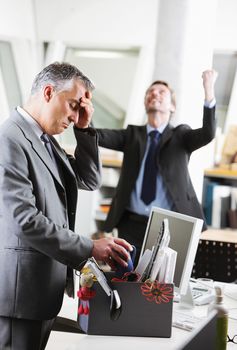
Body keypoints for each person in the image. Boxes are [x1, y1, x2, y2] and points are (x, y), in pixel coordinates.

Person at [0, 62, 132, 350]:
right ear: (48, 92)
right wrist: (89, 247)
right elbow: (25, 220)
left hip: (41, 292)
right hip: (19, 297)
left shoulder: (45, 140)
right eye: (73, 106)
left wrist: (84, 129)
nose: (74, 116)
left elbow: (88, 178)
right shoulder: (10, 139)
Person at [96, 69, 218, 263]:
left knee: (165, 285)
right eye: (150, 92)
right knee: (128, 278)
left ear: (172, 107)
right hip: (131, 223)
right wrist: (82, 118)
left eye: (162, 92)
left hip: (169, 225)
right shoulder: (132, 135)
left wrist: (209, 91)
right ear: (145, 103)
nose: (155, 94)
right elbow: (96, 136)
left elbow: (208, 133)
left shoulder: (181, 136)